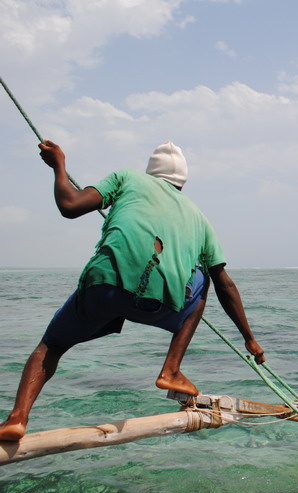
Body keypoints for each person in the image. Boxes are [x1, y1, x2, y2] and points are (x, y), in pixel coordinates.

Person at [0, 140, 264, 441]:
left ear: (150, 173)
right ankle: (171, 370)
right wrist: (249, 339)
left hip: (103, 288)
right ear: (182, 182)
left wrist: (58, 164)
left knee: (51, 347)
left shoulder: (127, 177)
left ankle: (17, 418)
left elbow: (70, 206)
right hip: (155, 303)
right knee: (204, 281)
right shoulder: (199, 217)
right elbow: (225, 284)